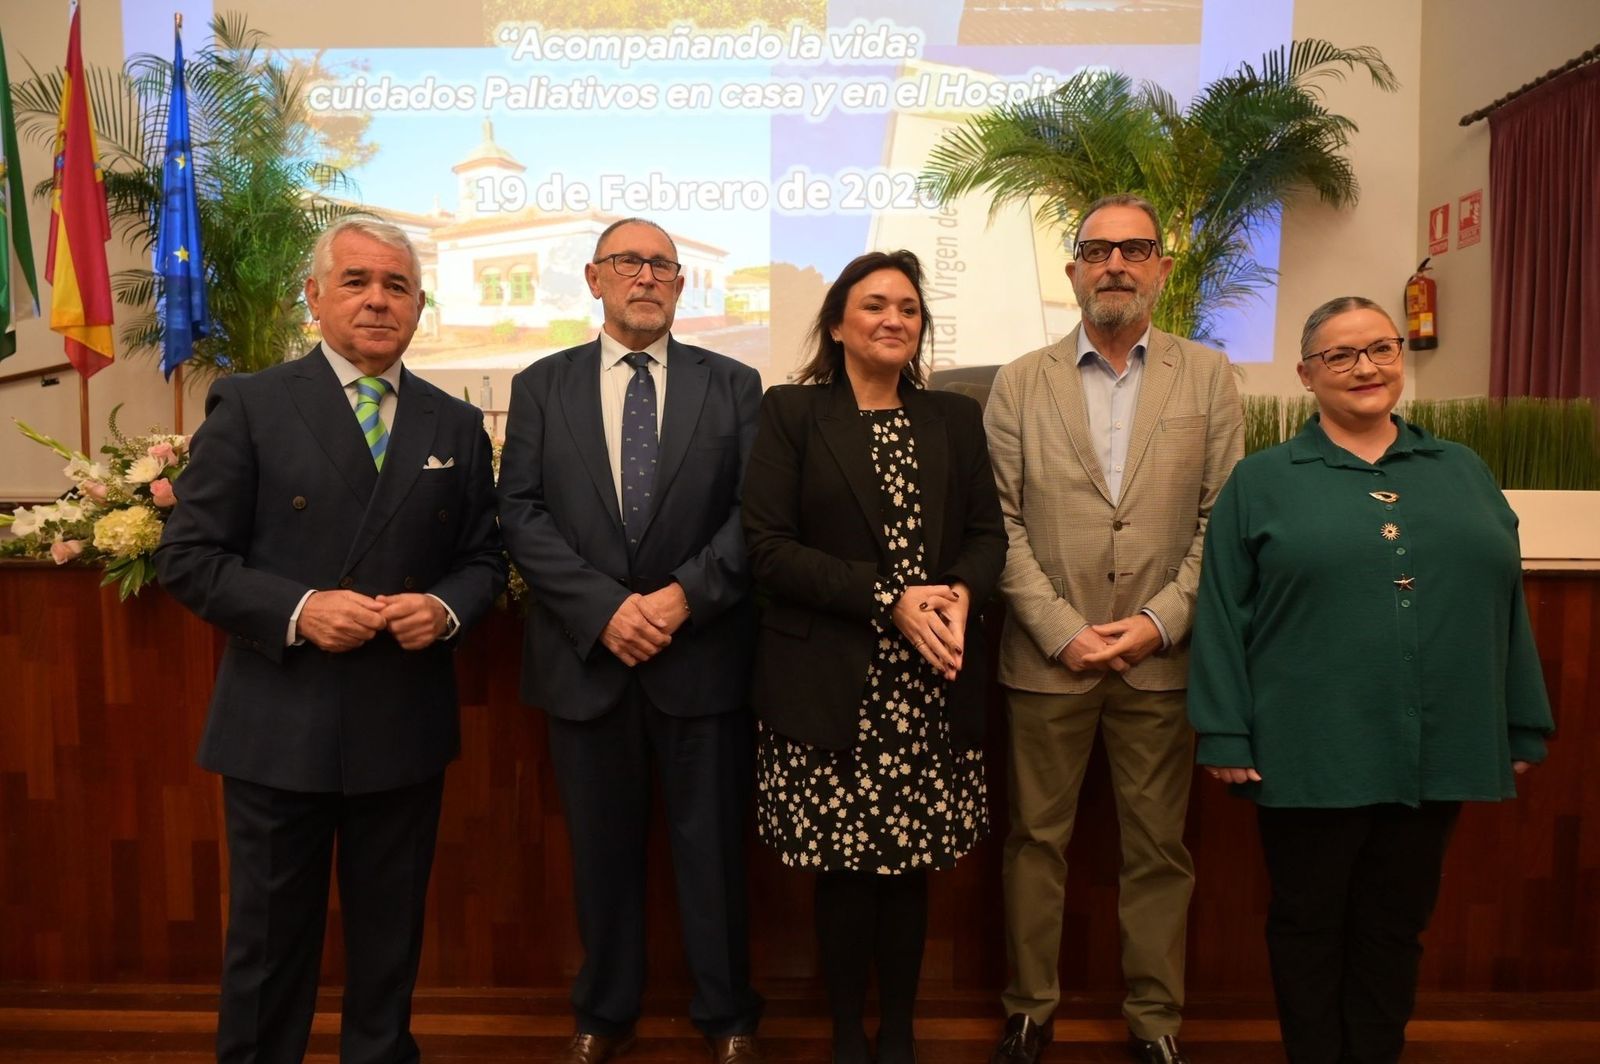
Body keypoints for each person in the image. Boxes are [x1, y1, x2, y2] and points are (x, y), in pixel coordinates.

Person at [155, 217, 506, 1062]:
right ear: (314, 296)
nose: (378, 301)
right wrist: (303, 608)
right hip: (281, 725)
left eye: (397, 285)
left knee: (390, 948)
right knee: (270, 948)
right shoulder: (252, 403)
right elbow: (189, 558)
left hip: (402, 721)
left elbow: (484, 560)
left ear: (421, 306)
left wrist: (447, 610)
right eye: (356, 282)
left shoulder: (454, 423)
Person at [1187, 296, 1555, 1064]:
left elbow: (1503, 600)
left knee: (1396, 924)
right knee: (1310, 922)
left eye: (1381, 349)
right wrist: (1223, 727)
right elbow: (1221, 610)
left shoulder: (1461, 469)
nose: (1365, 368)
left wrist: (1520, 719)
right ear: (1305, 375)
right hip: (1308, 745)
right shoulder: (1263, 480)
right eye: (1341, 356)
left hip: (1439, 743)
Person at [496, 218, 765, 1064]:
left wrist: (683, 599)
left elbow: (753, 516)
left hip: (703, 656)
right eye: (627, 263)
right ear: (594, 278)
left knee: (713, 854)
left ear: (681, 285)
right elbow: (521, 514)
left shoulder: (735, 384)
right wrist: (605, 610)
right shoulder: (542, 385)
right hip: (588, 659)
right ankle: (604, 1011)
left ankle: (728, 1017)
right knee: (600, 854)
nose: (645, 277)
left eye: (661, 266)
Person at [984, 194, 1244, 1064]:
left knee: (1158, 849)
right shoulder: (1021, 379)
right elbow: (999, 523)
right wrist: (1063, 630)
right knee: (1034, 843)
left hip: (1160, 661)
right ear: (1072, 273)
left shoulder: (1208, 376)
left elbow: (1222, 522)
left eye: (1135, 249)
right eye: (1097, 251)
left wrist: (1155, 623)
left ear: (1163, 269)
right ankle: (1028, 1008)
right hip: (1045, 660)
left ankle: (1156, 1019)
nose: (1116, 265)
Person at [741, 250, 1006, 1064]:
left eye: (909, 309)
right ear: (837, 323)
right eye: (874, 305)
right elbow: (767, 549)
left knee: (910, 868)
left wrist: (961, 591)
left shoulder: (954, 419)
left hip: (930, 681)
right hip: (831, 677)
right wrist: (888, 594)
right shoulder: (792, 412)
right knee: (844, 870)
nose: (895, 319)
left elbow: (987, 535)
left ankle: (899, 1028)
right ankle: (847, 1031)